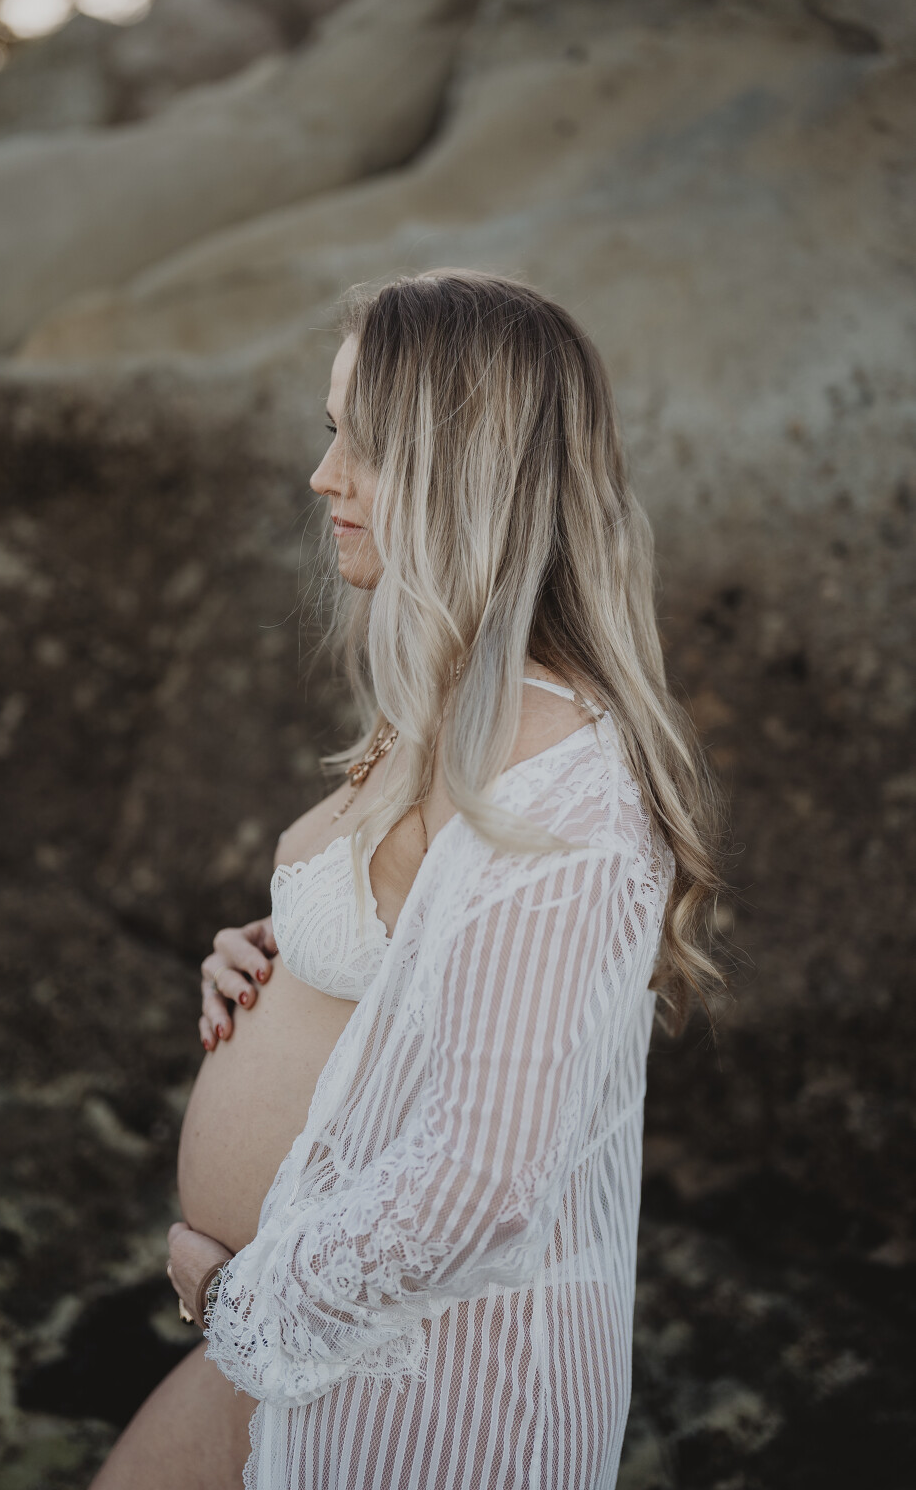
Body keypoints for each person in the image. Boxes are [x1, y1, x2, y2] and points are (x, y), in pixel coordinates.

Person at [91, 269, 727, 1489]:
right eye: (329, 431)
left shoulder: (568, 798)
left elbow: (483, 1185)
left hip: (432, 1393)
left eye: (364, 446)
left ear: (461, 472)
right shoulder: (443, 711)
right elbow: (421, 969)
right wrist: (278, 956)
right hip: (312, 1347)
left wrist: (239, 1302)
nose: (321, 476)